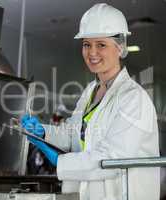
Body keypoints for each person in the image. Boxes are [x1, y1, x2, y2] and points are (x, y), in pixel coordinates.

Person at [21, 3, 160, 200]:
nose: (91, 53)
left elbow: (112, 159)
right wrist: (44, 132)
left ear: (119, 48)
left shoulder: (134, 98)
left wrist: (60, 161)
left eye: (101, 44)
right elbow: (73, 134)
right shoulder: (90, 92)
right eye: (87, 44)